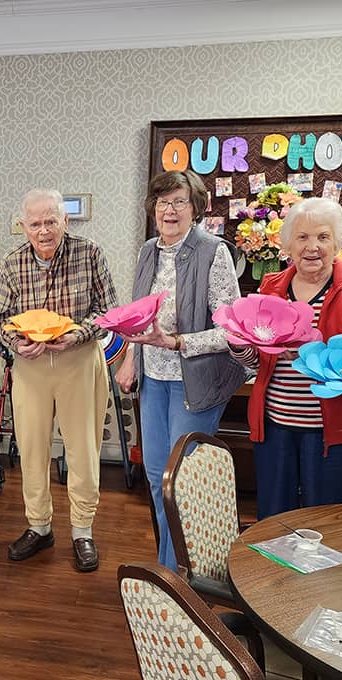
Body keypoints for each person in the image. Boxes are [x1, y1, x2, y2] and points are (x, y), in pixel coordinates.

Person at [114, 170, 246, 570]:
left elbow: (230, 330)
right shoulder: (148, 250)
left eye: (179, 202)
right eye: (162, 202)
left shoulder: (213, 251)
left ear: (196, 207)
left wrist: (177, 343)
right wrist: (130, 358)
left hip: (197, 380)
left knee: (183, 482)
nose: (169, 210)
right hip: (154, 378)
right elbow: (140, 317)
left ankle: (183, 577)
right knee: (156, 477)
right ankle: (169, 567)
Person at [229, 197, 342, 520]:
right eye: (302, 237)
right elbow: (258, 361)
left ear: (337, 243)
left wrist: (312, 355)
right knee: (273, 520)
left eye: (322, 237)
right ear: (288, 244)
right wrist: (237, 345)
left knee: (326, 522)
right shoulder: (270, 287)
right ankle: (271, 573)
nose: (312, 247)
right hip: (275, 426)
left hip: (334, 429)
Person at [0, 189, 118, 572]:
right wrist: (16, 341)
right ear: (23, 226)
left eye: (51, 221)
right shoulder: (12, 263)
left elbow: (109, 311)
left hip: (78, 361)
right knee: (31, 448)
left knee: (82, 449)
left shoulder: (89, 252)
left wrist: (77, 335)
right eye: (35, 223)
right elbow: (1, 320)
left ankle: (82, 531)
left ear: (64, 221)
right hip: (30, 366)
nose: (44, 230)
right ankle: (39, 525)